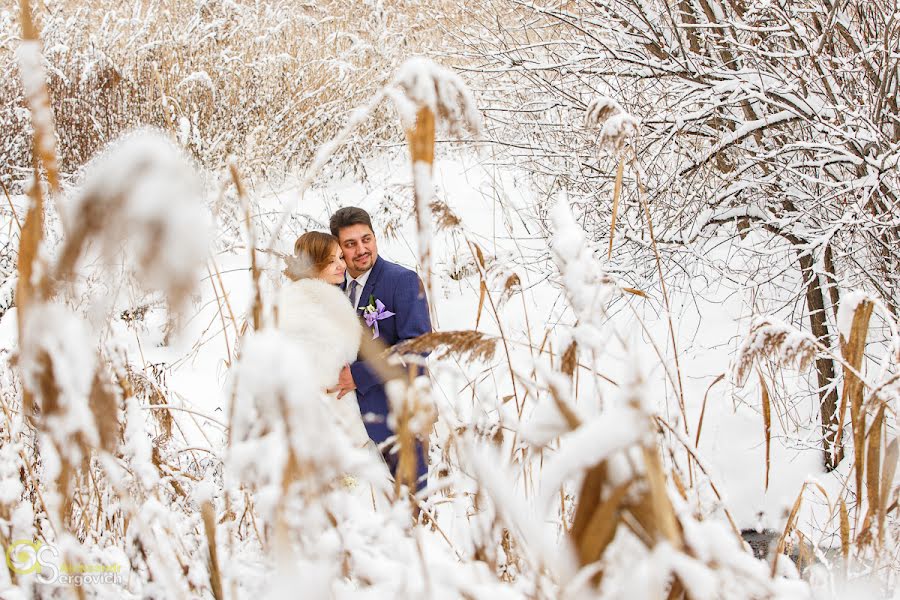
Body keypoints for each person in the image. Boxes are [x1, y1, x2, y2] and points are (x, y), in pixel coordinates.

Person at [329, 207, 431, 489]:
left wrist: (358, 376)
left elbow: (418, 345)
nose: (361, 249)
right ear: (339, 248)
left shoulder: (402, 281)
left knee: (412, 498)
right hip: (349, 421)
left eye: (367, 239)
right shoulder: (333, 289)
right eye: (350, 244)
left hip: (396, 413)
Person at [276, 231, 370, 447]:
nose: (341, 265)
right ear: (312, 265)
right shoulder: (307, 306)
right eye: (330, 261)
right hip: (327, 423)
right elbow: (318, 376)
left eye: (340, 257)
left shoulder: (319, 299)